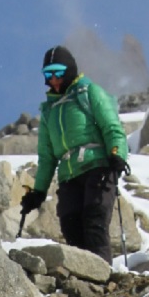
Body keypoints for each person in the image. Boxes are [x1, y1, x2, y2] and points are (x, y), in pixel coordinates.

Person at [20, 46, 129, 261]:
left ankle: (103, 278)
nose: (53, 79)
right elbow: (47, 156)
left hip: (98, 166)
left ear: (69, 70)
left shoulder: (89, 92)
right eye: (48, 74)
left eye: (58, 72)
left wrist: (117, 153)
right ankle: (85, 282)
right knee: (71, 228)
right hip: (69, 176)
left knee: (94, 221)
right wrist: (38, 192)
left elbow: (112, 127)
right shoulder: (49, 111)